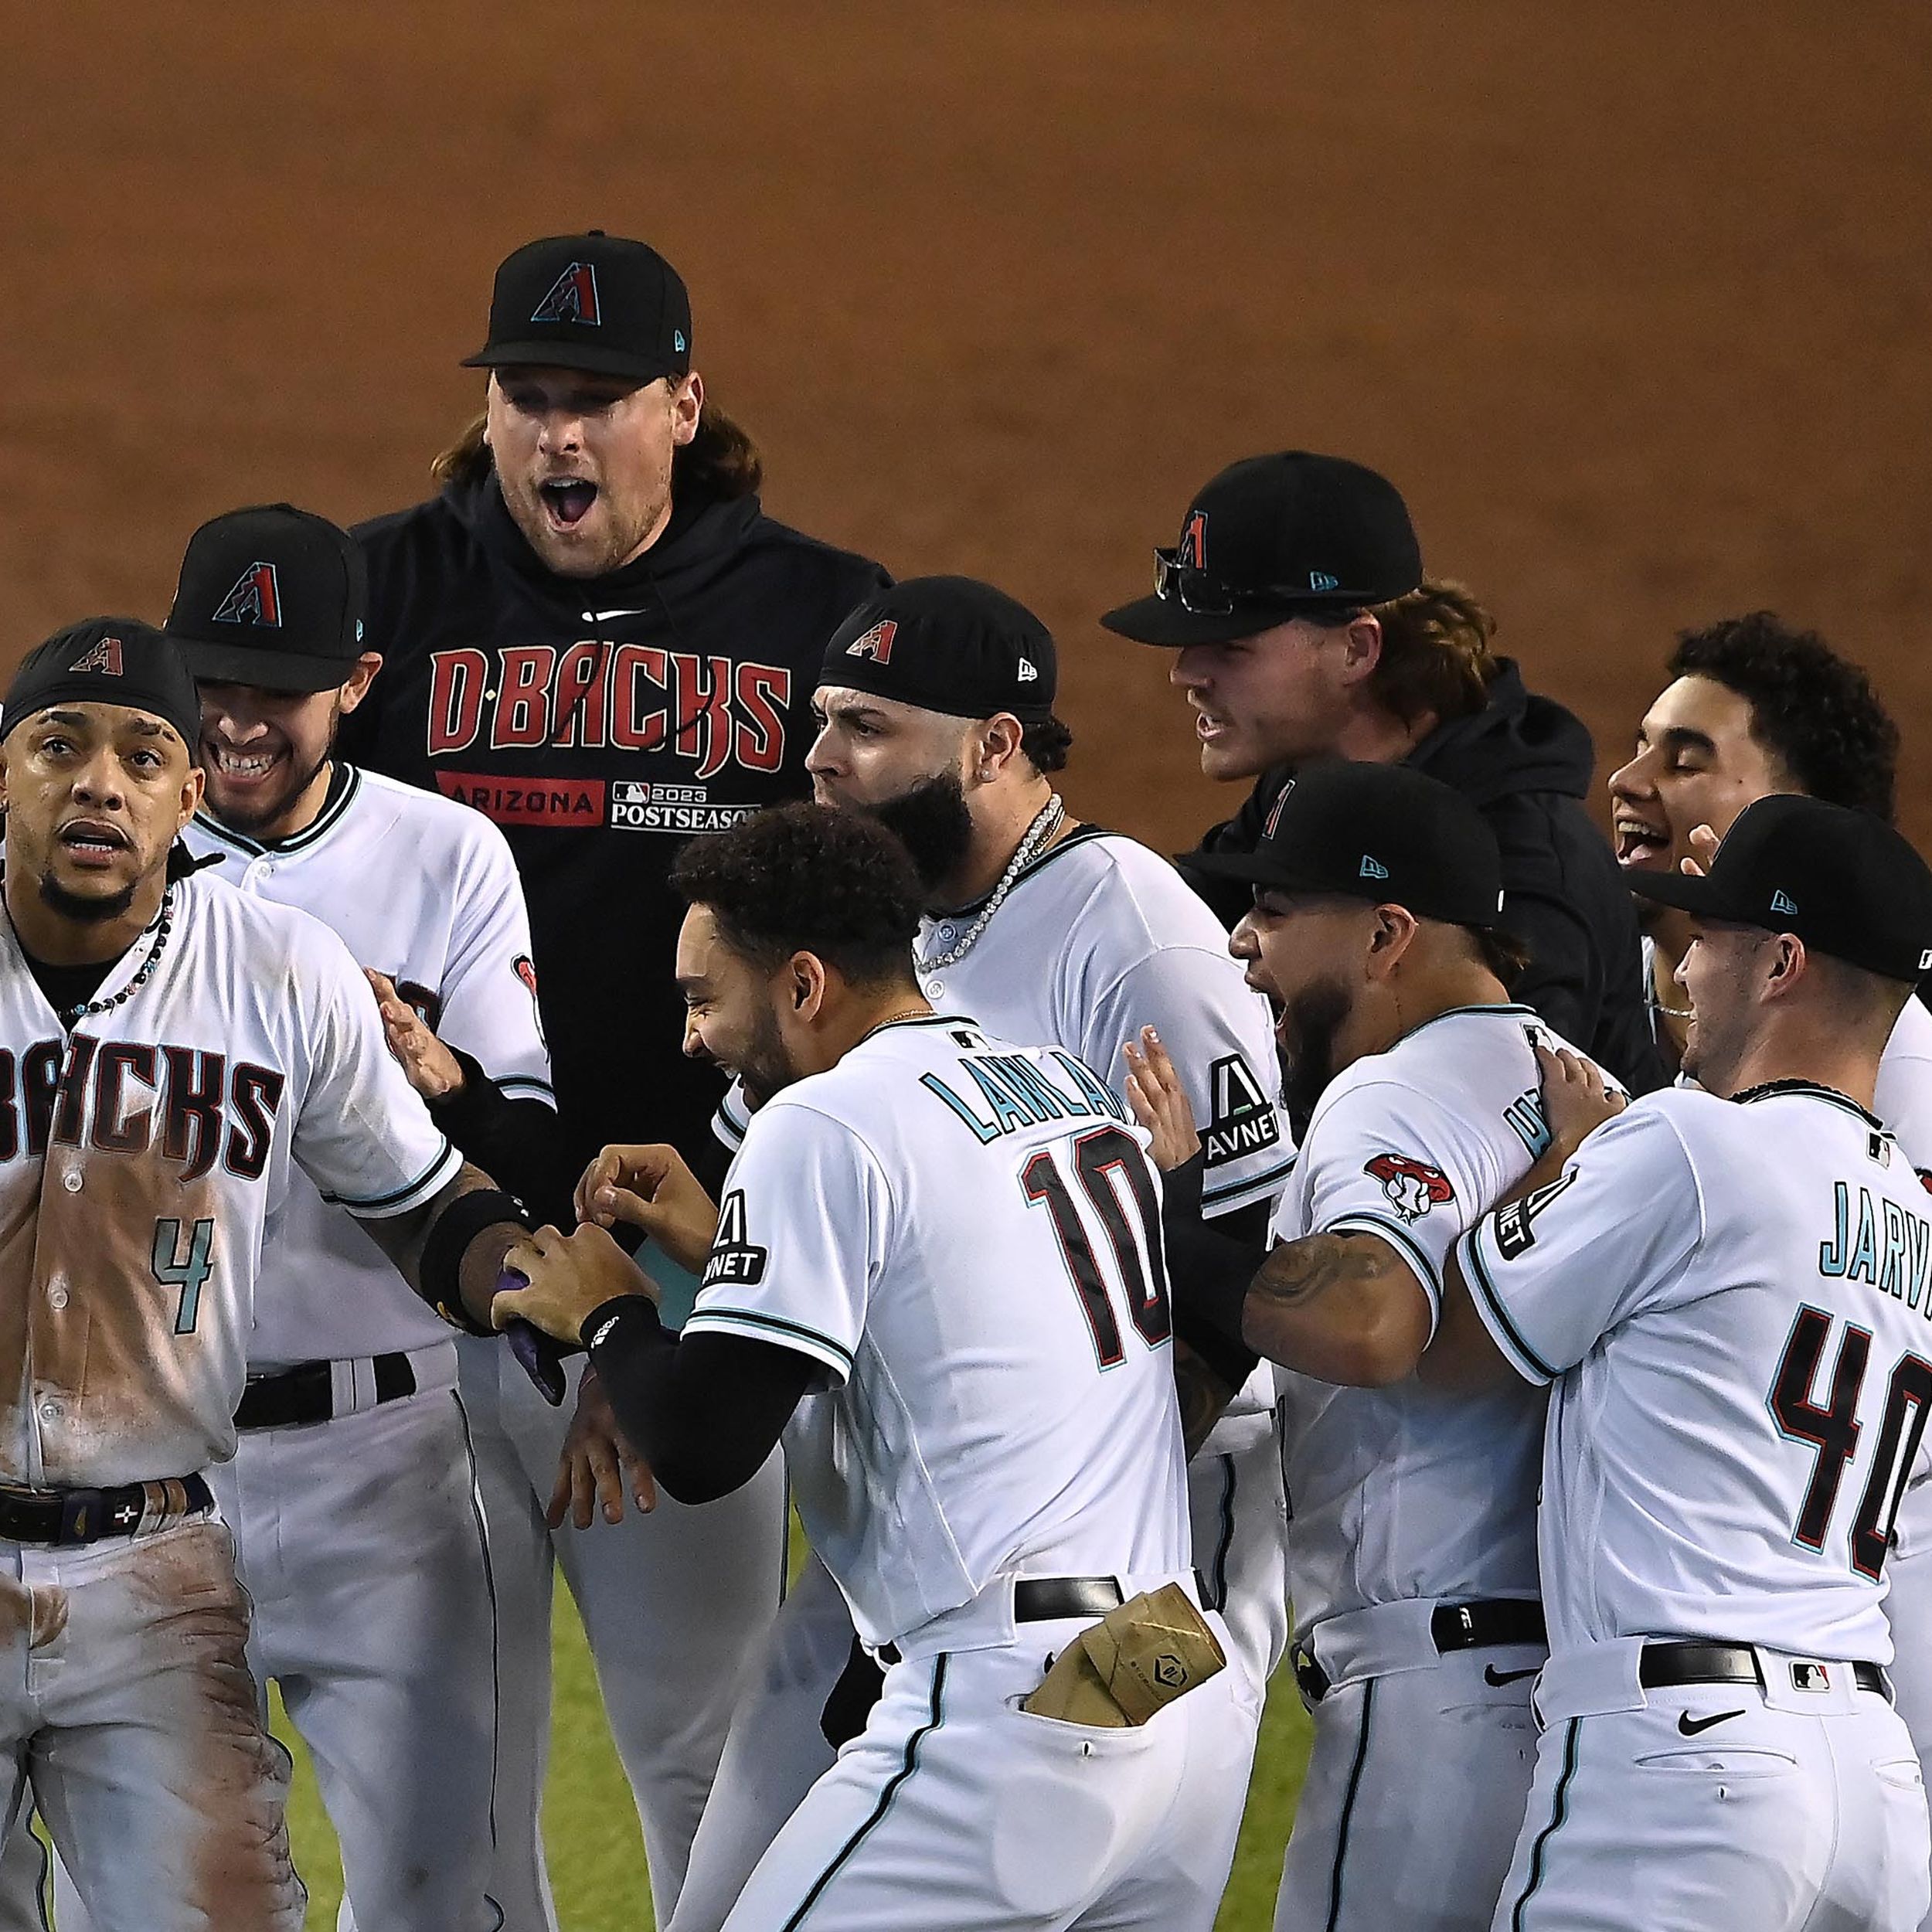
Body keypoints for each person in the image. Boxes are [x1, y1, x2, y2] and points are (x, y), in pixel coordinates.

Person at [342, 229, 887, 1922]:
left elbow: (861, 975)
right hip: (417, 1275)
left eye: (600, 402)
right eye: (528, 399)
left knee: (698, 1753)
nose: (559, 439)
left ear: (684, 405)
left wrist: (657, 1291)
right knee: (435, 1766)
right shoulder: (375, 604)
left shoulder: (816, 617)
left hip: (682, 1274)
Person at [494, 801, 1260, 1932]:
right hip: (1168, 1673)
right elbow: (954, 1312)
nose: (691, 1039)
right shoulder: (1056, 1083)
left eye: (706, 997)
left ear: (803, 986)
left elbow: (704, 1446)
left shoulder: (818, 1121)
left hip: (1015, 1703)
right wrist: (733, 1252)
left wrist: (612, 1315)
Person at [1174, 794, 1932, 1929]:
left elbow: (1435, 1342)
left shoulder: (1679, 1140)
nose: (1683, 976)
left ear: (1781, 963)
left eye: (1708, 941)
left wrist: (1571, 1164)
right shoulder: (1913, 1213)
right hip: (1871, 1773)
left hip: (1684, 1758)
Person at [668, 577, 1291, 1930]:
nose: (821, 757)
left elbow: (1241, 1252)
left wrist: (1086, 1458)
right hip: (944, 1523)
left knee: (1032, 1795)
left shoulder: (1131, 927)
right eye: (821, 719)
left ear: (994, 748)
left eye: (868, 727)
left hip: (1154, 1508)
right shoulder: (877, 934)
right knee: (754, 1851)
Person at [0, 621, 542, 1932]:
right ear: (1, 776)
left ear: (189, 800)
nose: (100, 783)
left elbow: (421, 1201)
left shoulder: (277, 969)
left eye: (145, 755)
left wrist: (521, 1275)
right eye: (58, 745)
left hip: (152, 1575)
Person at [1131, 760, 1597, 1932]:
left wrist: (1180, 1227)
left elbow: (1371, 1323)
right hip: (1585, 1699)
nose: (1243, 945)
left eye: (1276, 912)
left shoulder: (1387, 1098)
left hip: (1431, 1696)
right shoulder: (1590, 1092)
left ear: (1389, 932)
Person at [1607, 608, 1932, 1927]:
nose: (1632, 784)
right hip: (1810, 1600)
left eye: (1688, 758)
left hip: (1870, 1590)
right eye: (1640, 747)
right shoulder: (1718, 999)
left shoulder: (1893, 1050)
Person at [1100, 450, 1662, 1097]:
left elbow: (1504, 1133)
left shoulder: (1525, 871)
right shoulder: (1314, 777)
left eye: (1232, 647)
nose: (1187, 674)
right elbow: (1178, 920)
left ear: (1356, 649)